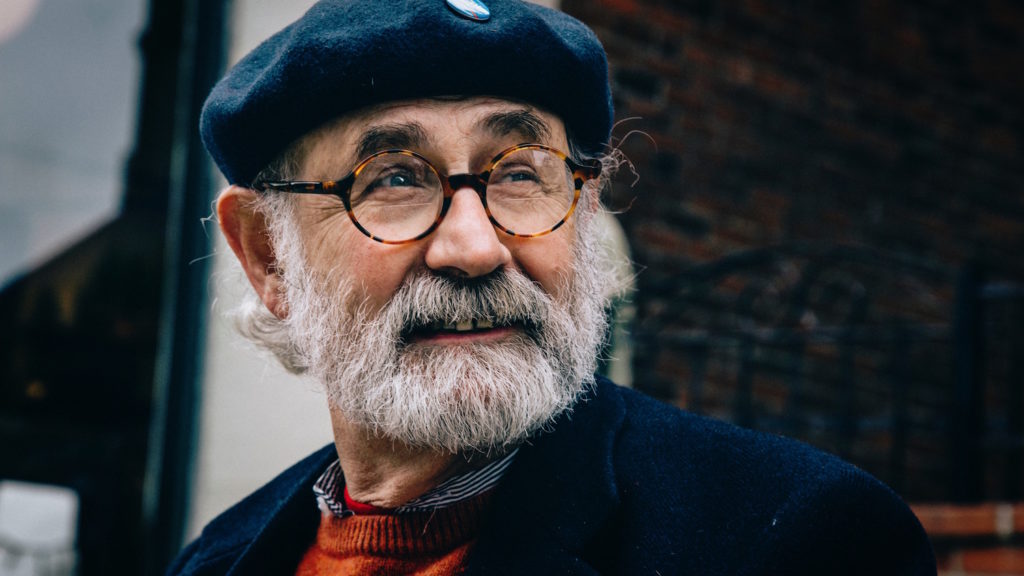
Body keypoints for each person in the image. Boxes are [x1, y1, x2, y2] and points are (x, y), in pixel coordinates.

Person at [169, 0, 936, 574]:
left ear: (584, 210)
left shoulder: (799, 538)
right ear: (268, 255)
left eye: (519, 174)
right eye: (394, 178)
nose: (475, 248)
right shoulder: (218, 559)